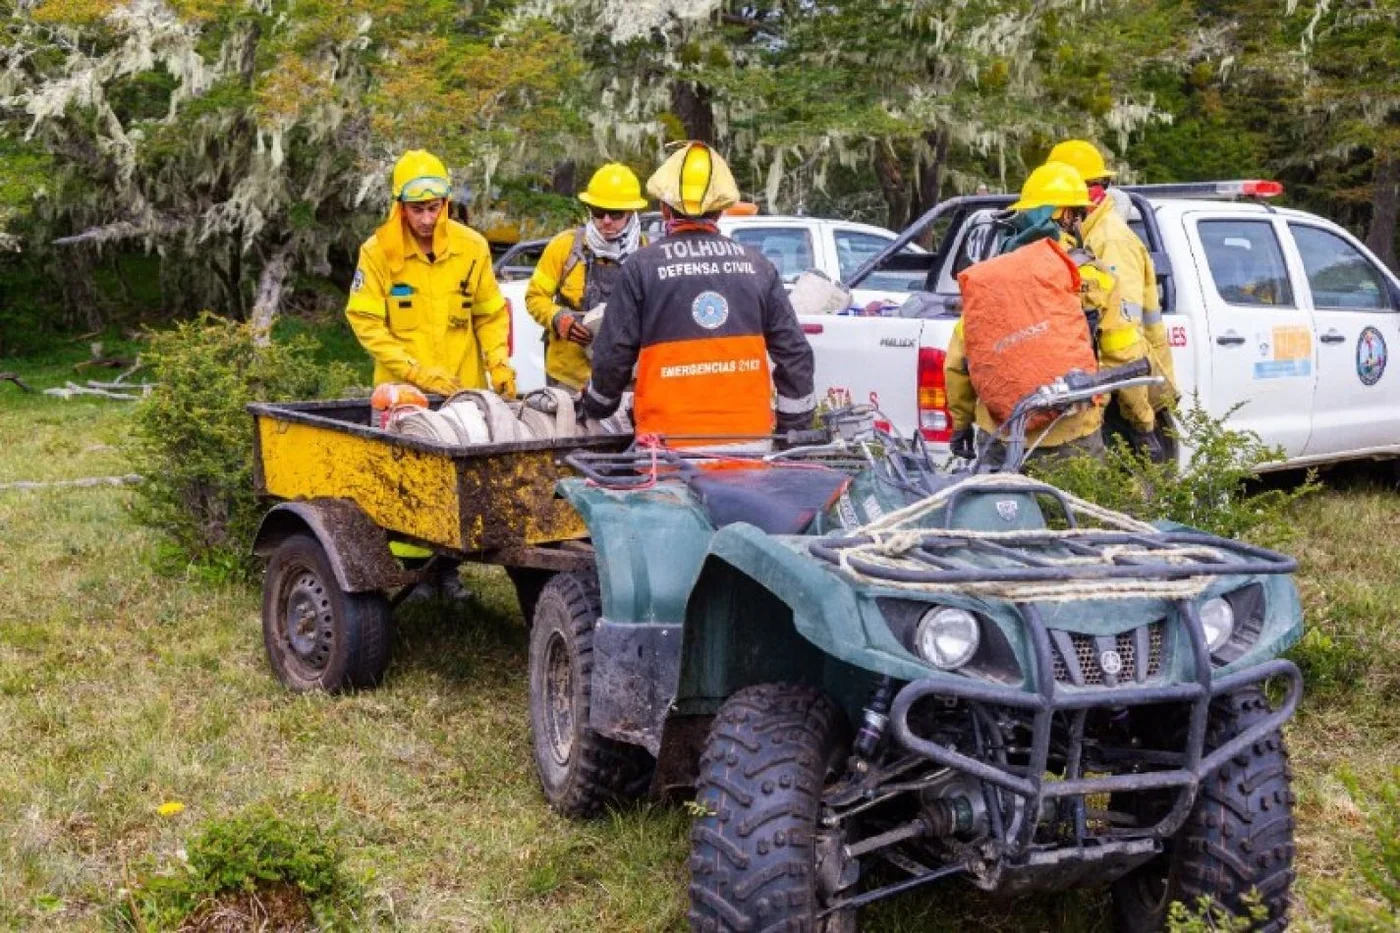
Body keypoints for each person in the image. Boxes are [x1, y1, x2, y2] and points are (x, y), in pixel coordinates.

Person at [580, 142, 815, 450]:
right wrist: (791, 432)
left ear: (664, 207)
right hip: (749, 450)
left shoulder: (641, 267)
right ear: (720, 210)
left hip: (666, 454)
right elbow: (796, 355)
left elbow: (613, 356)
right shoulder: (759, 268)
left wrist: (596, 405)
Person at [947, 161, 1157, 467]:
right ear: (1067, 215)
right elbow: (1122, 352)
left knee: (1000, 513)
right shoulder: (1092, 277)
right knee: (1078, 515)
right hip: (1071, 434)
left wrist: (961, 424)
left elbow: (959, 363)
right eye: (1080, 213)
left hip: (1001, 437)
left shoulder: (989, 280)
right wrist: (1143, 423)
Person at [346, 149, 516, 401]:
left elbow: (490, 316)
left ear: (445, 203)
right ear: (401, 207)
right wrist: (416, 373)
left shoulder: (473, 247)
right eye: (417, 209)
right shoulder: (377, 252)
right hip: (403, 397)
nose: (427, 219)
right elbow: (367, 323)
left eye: (433, 208)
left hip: (465, 394)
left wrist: (499, 364)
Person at [1048, 139, 1178, 453]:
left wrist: (1141, 422)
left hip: (1123, 396)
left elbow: (1123, 342)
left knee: (1128, 496)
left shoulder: (1110, 241)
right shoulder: (1076, 237)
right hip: (1094, 394)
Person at [524, 163, 647, 390]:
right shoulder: (564, 248)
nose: (606, 221)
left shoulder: (646, 255)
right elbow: (534, 297)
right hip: (568, 380)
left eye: (616, 213)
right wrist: (558, 318)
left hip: (624, 381)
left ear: (632, 212)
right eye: (599, 213)